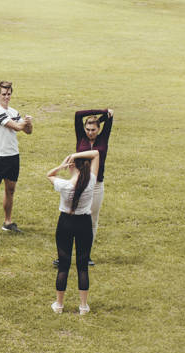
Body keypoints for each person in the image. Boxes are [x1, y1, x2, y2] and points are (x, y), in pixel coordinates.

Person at [53, 108, 113, 267]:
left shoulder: (103, 139)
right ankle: (63, 255)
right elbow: (78, 114)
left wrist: (105, 116)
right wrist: (102, 111)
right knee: (70, 217)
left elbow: (110, 118)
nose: (90, 132)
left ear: (99, 129)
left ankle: (85, 256)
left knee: (92, 220)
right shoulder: (81, 136)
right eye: (88, 129)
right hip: (78, 183)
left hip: (96, 184)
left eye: (93, 130)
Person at [47, 150, 100, 315]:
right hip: (84, 223)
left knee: (63, 265)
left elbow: (49, 175)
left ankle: (59, 305)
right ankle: (83, 306)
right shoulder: (90, 180)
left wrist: (62, 165)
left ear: (71, 167)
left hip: (65, 223)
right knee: (82, 266)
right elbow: (96, 154)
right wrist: (76, 156)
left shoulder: (65, 185)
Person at [0, 81, 33, 233]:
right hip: (0, 157)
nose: (6, 97)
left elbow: (28, 132)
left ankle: (7, 222)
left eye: (8, 94)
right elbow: (18, 127)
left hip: (13, 156)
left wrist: (29, 123)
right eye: (3, 94)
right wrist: (24, 123)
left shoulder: (13, 111)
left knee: (10, 190)